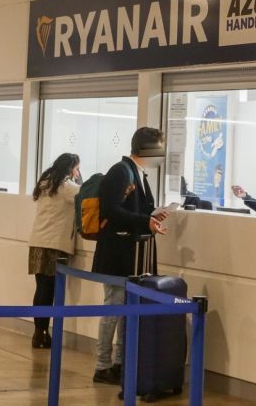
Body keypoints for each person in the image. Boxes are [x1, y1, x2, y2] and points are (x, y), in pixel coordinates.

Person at [91, 127, 168, 384]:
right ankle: (102, 365)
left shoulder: (137, 174)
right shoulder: (121, 172)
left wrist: (151, 217)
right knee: (113, 307)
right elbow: (111, 210)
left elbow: (135, 210)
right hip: (116, 253)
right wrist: (143, 220)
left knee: (126, 310)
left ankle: (120, 362)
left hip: (131, 255)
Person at [28, 153, 81, 349]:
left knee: (41, 288)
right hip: (53, 244)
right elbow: (84, 194)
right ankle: (42, 333)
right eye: (76, 168)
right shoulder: (66, 186)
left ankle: (39, 332)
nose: (77, 172)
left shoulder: (46, 182)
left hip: (37, 241)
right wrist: (80, 179)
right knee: (48, 291)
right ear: (70, 169)